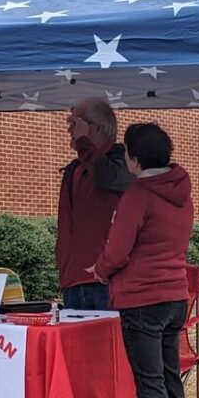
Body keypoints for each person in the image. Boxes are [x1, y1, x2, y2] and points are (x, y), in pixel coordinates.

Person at [88, 123, 194, 398]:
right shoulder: (180, 191)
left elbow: (118, 250)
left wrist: (100, 271)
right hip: (174, 295)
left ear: (133, 159)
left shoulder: (138, 195)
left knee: (150, 384)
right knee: (169, 380)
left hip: (141, 299)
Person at [56, 98, 135, 310]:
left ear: (98, 127)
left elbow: (109, 178)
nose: (70, 131)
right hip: (73, 280)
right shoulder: (77, 167)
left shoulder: (123, 161)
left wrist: (84, 144)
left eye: (75, 124)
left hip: (105, 281)